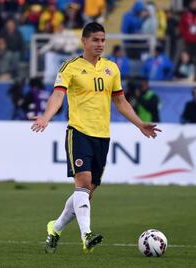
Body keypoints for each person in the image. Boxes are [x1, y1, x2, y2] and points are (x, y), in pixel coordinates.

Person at [31, 22, 161, 254]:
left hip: (102, 136)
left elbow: (120, 102)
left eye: (103, 40)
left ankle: (55, 227)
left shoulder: (112, 68)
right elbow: (57, 96)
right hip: (78, 131)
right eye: (95, 40)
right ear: (84, 41)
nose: (100, 44)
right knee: (82, 182)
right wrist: (46, 117)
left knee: (86, 192)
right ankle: (86, 236)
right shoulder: (70, 67)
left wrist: (140, 124)